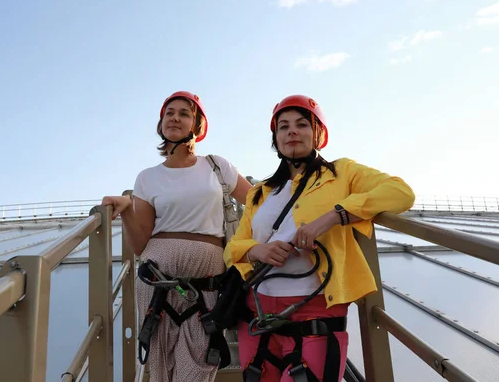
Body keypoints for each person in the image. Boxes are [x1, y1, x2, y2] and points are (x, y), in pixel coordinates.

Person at [224, 94, 415, 382]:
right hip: (257, 313)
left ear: (318, 134)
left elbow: (401, 193)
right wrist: (258, 251)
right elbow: (234, 249)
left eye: (302, 124)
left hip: (315, 314)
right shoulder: (259, 192)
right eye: (283, 126)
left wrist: (333, 217)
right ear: (275, 138)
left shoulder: (343, 173)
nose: (292, 131)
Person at [102, 91, 252, 382]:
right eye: (169, 113)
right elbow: (140, 243)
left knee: (198, 363)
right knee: (160, 366)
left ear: (197, 126)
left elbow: (260, 202)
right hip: (158, 279)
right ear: (161, 124)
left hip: (205, 280)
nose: (174, 117)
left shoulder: (217, 166)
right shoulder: (147, 177)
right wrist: (127, 211)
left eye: (184, 113)